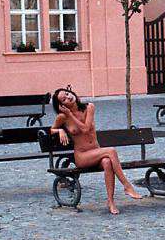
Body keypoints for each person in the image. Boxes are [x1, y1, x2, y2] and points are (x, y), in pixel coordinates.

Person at [50, 87, 143, 215]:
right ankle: (127, 186)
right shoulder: (63, 117)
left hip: (96, 152)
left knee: (107, 162)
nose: (68, 97)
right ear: (62, 105)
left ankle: (111, 202)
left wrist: (70, 115)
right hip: (82, 156)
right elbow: (52, 129)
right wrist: (60, 130)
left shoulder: (89, 107)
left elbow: (86, 128)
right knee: (111, 151)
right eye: (64, 99)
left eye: (67, 93)